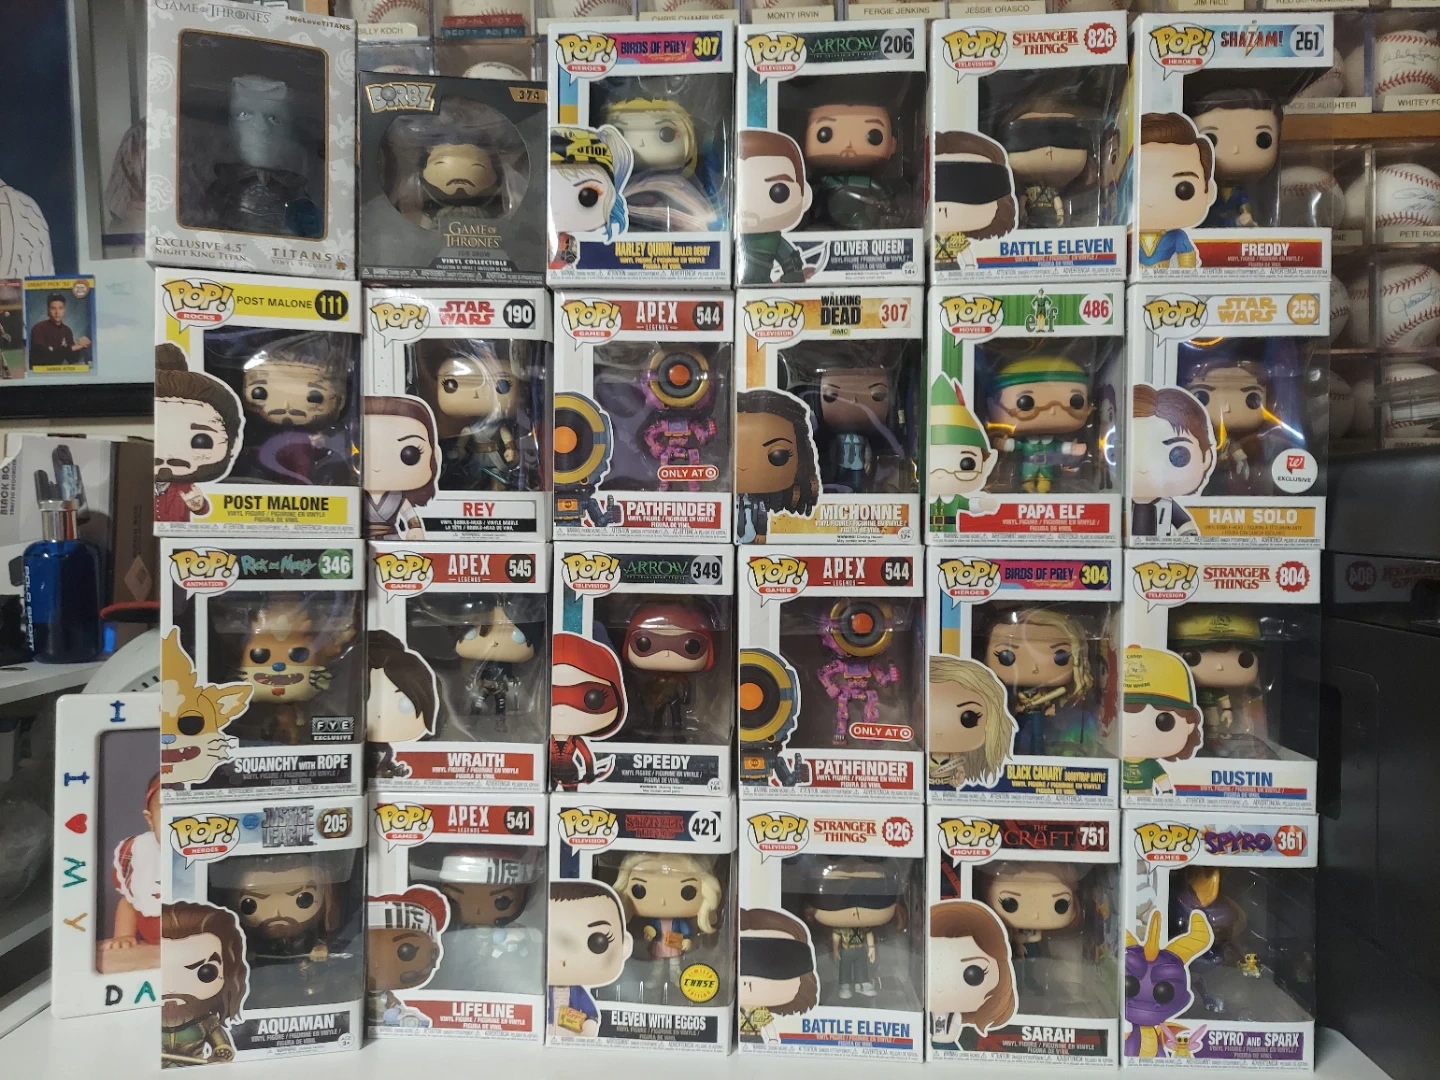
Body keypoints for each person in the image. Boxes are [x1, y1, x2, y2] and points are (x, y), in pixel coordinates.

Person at [737, 130, 812, 285]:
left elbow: (791, 265)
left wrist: (791, 279)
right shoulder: (727, 233)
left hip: (763, 286)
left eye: (779, 192)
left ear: (804, 195)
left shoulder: (773, 238)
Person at [29, 292, 91, 370]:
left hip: (58, 372)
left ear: (64, 310)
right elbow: (43, 358)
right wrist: (73, 348)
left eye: (60, 308)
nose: (57, 312)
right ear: (48, 310)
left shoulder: (67, 330)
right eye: (53, 308)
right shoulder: (39, 328)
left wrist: (82, 345)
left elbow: (72, 359)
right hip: (41, 373)